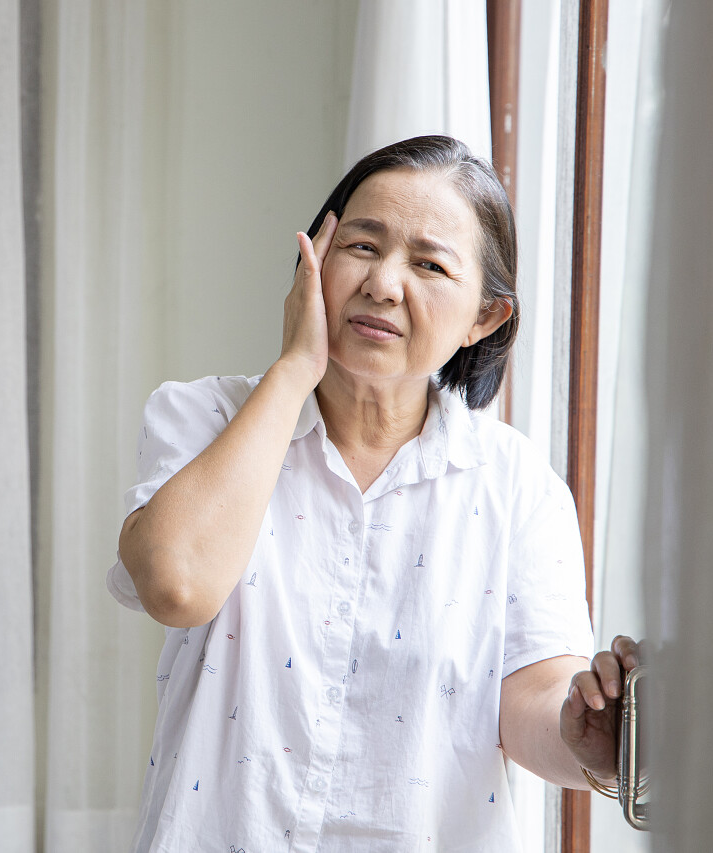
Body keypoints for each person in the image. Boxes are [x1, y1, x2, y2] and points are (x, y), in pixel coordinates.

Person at [107, 135, 639, 851]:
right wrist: (296, 367)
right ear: (313, 258)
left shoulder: (518, 487)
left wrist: (589, 736)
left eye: (428, 264)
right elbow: (176, 584)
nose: (385, 283)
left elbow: (530, 702)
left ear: (485, 317)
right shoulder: (200, 419)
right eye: (361, 246)